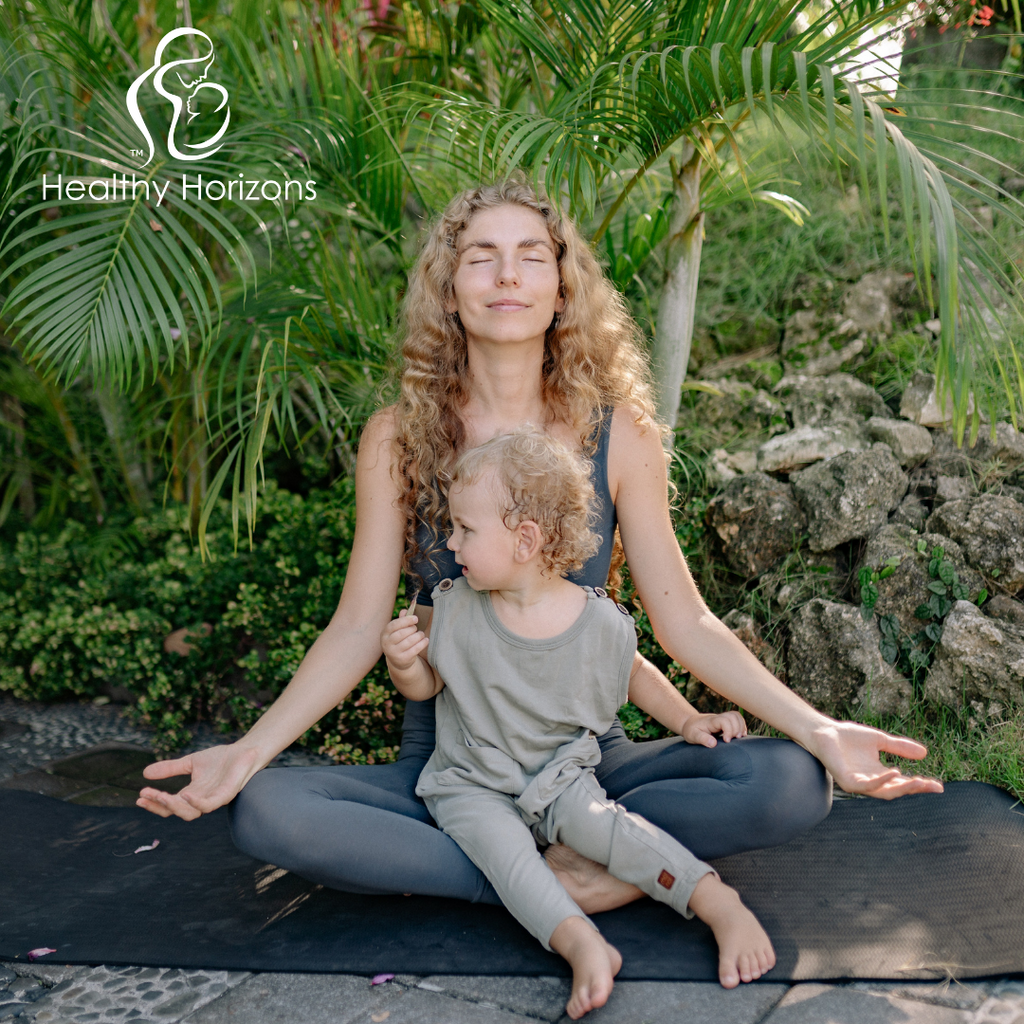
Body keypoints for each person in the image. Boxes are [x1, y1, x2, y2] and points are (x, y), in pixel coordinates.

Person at [138, 177, 942, 947]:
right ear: (449, 292)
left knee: (791, 782)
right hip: (452, 769)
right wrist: (248, 751)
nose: (507, 274)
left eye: (532, 254)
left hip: (589, 762)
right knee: (270, 810)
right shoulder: (395, 436)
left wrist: (817, 726)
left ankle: (540, 868)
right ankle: (577, 879)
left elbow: (684, 619)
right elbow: (355, 628)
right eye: (481, 256)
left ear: (563, 289)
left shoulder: (618, 434)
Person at [382, 427, 775, 1018]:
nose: (451, 542)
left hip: (561, 777)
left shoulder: (595, 620)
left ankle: (717, 902)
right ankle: (581, 942)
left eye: (465, 529)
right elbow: (428, 684)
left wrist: (690, 719)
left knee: (612, 830)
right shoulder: (452, 604)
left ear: (525, 540)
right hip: (472, 782)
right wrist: (403, 663)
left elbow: (636, 672)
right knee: (507, 857)